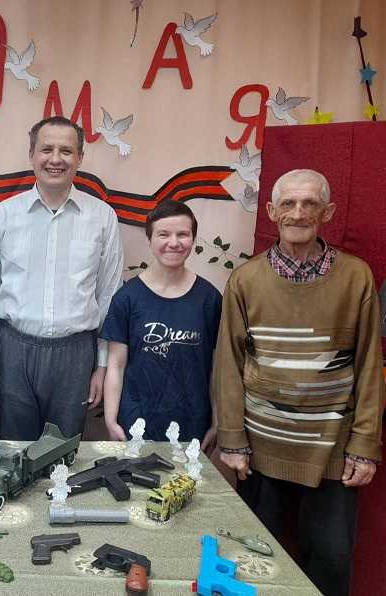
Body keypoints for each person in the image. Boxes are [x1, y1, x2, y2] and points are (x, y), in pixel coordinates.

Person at [215, 169, 384, 596]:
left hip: (332, 448)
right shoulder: (245, 279)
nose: (298, 212)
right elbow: (229, 363)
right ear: (272, 211)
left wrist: (365, 444)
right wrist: (232, 439)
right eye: (288, 203)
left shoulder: (357, 277)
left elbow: (369, 364)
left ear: (328, 212)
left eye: (310, 203)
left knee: (331, 560)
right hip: (260, 444)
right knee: (254, 560)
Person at [0, 116, 123, 440]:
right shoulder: (4, 215)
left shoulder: (103, 217)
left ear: (80, 157)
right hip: (12, 349)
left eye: (66, 151)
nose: (55, 159)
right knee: (14, 451)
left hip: (76, 354)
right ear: (32, 154)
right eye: (46, 149)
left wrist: (101, 366)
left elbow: (109, 296)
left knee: (64, 453)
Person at [101, 200, 221, 445]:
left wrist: (217, 421)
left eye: (183, 234)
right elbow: (116, 365)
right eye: (163, 234)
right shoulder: (127, 298)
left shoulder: (209, 299)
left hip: (193, 423)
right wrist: (110, 419)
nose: (173, 243)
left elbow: (216, 369)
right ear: (149, 239)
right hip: (136, 422)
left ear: (193, 239)